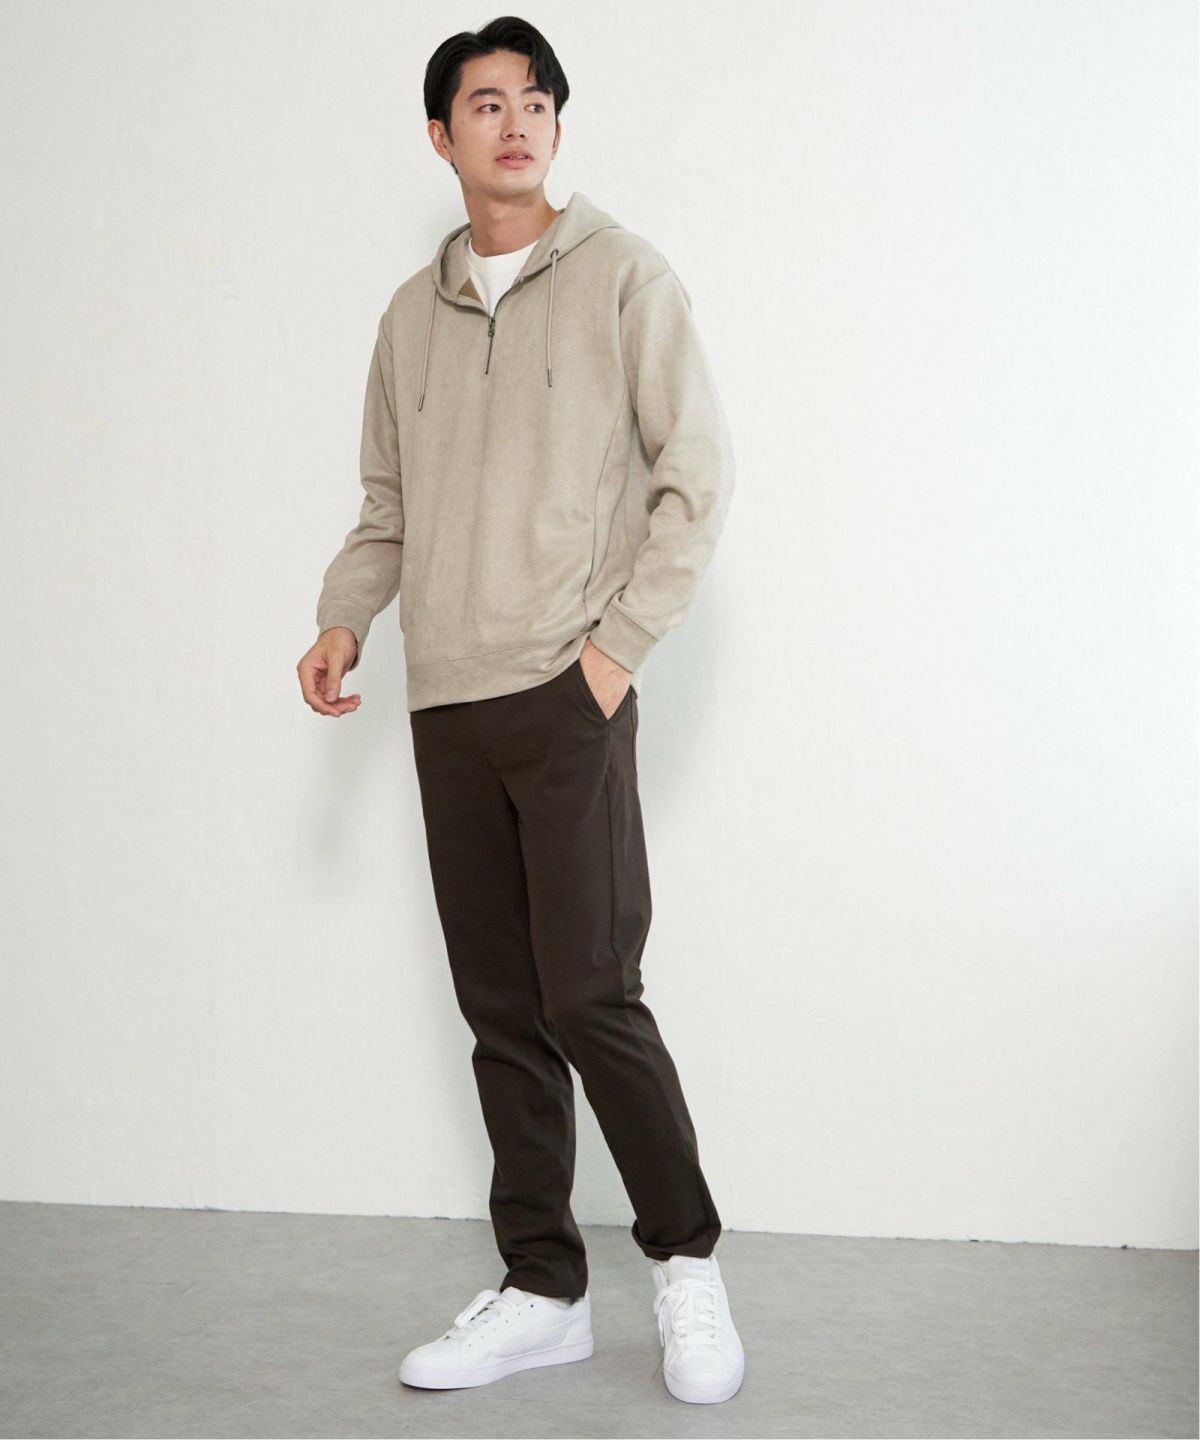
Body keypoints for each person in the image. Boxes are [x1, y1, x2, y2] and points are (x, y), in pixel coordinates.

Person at [295, 16, 741, 1407]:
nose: (517, 122)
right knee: (501, 1010)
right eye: (487, 103)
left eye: (535, 100)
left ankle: (687, 1267)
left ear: (556, 124)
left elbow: (698, 478)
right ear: (442, 135)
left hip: (566, 692)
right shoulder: (406, 317)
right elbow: (387, 506)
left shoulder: (623, 278)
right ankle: (544, 1287)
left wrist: (613, 656)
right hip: (447, 703)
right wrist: (345, 614)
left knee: (591, 994)